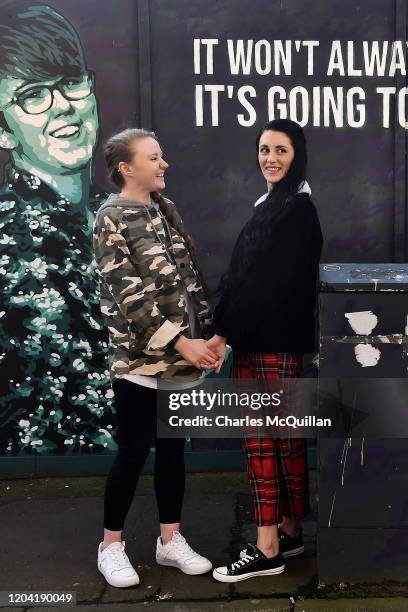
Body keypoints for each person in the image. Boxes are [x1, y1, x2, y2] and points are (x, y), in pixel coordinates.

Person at [93, 128, 218, 587]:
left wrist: (206, 340)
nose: (163, 164)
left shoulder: (165, 209)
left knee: (171, 451)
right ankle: (111, 546)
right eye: (153, 157)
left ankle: (170, 541)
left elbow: (190, 284)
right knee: (132, 450)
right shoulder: (111, 217)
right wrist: (181, 342)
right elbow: (130, 298)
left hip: (182, 361)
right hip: (139, 361)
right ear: (127, 168)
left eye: (162, 156)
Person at [208, 119, 323, 582]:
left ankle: (267, 548)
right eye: (263, 150)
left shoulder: (295, 210)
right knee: (285, 443)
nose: (270, 159)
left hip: (268, 345)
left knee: (262, 449)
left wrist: (222, 335)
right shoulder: (281, 204)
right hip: (274, 344)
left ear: (298, 155)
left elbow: (263, 286)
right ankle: (291, 533)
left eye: (281, 150)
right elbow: (247, 280)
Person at [0, 1, 112, 454]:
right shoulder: (8, 243)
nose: (62, 106)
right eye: (32, 94)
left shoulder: (124, 216)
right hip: (57, 484)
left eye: (70, 83)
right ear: (3, 130)